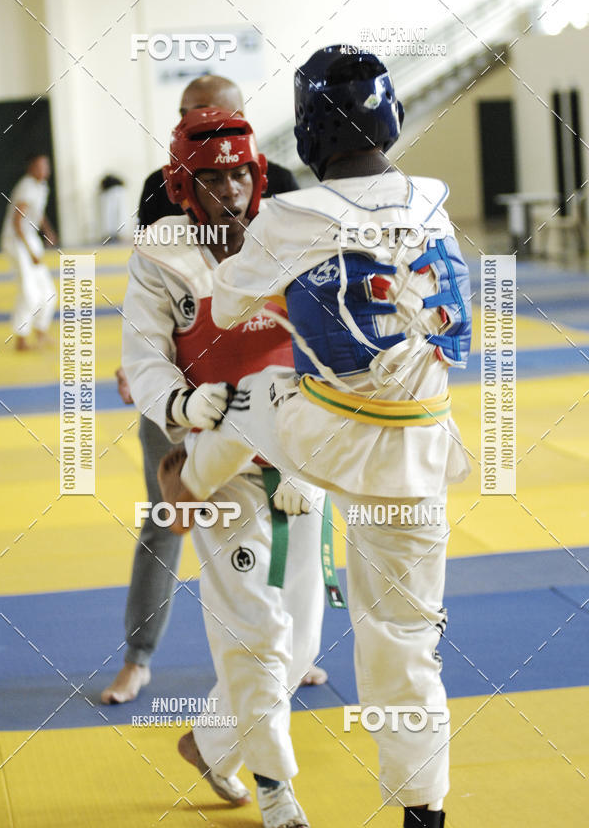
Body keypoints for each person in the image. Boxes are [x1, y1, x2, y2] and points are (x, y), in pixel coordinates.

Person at [159, 46, 473, 828]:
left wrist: (290, 275)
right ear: (391, 115)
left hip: (328, 434)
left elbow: (227, 308)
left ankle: (190, 476)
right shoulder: (435, 198)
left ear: (305, 135)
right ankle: (424, 815)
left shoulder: (291, 215)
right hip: (422, 449)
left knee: (257, 391)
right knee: (403, 644)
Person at [120, 106, 327, 828]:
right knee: (256, 628)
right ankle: (277, 790)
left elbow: (322, 341)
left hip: (296, 453)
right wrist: (180, 403)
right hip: (215, 460)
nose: (231, 190)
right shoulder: (158, 257)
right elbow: (141, 358)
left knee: (300, 640)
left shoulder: (292, 236)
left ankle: (210, 742)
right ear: (183, 186)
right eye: (213, 177)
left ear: (257, 175)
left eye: (241, 172)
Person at [137, 74, 298, 227]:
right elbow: (146, 250)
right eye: (184, 114)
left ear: (238, 116)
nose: (187, 122)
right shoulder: (158, 185)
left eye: (201, 112)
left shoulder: (281, 182)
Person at [0, 154, 58, 351]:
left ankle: (41, 331)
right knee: (29, 293)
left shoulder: (41, 187)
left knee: (48, 292)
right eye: (40, 166)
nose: (45, 169)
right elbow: (17, 222)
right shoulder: (26, 187)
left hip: (30, 238)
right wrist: (28, 251)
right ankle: (21, 339)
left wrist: (48, 230)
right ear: (31, 168)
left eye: (46, 165)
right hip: (17, 240)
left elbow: (38, 213)